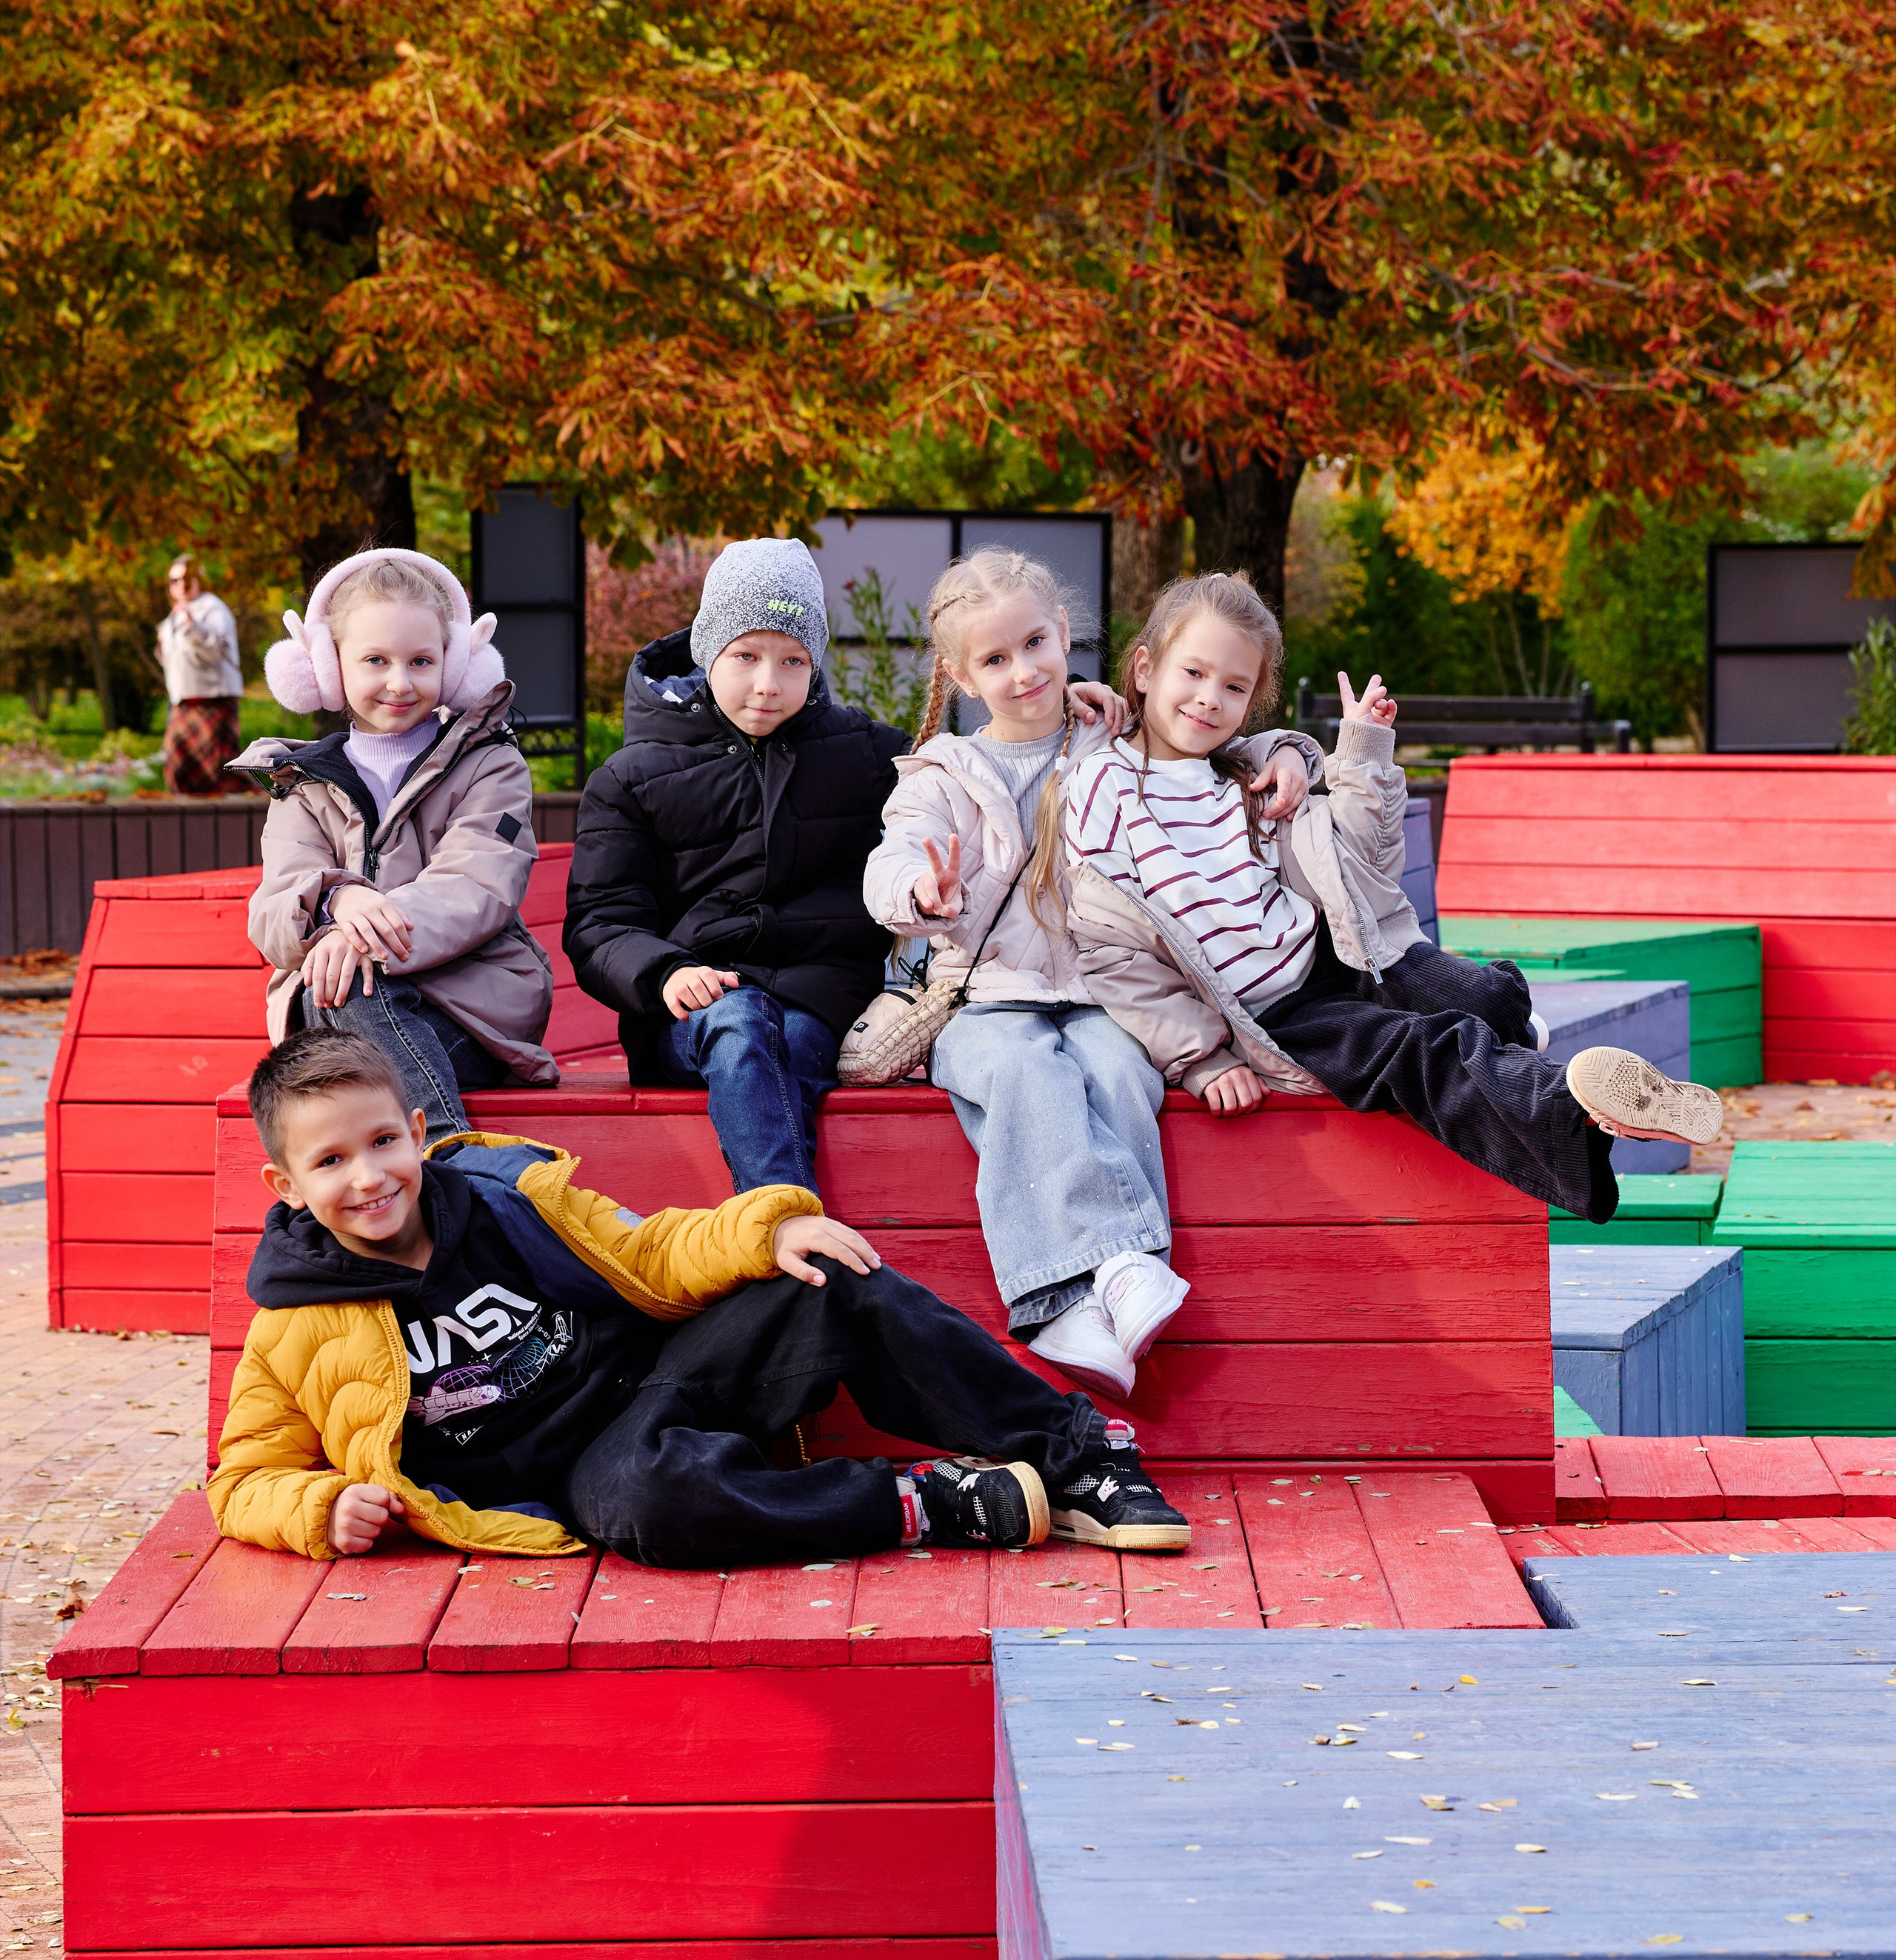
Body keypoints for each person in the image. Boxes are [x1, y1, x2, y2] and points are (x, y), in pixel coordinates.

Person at [207, 1028, 1191, 1563]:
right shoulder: (292, 1323)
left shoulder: (506, 1196)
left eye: (382, 1142)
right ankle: (929, 1508)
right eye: (331, 1161)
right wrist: (317, 1506)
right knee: (656, 1505)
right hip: (584, 1471)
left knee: (830, 1278)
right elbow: (242, 1476)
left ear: (416, 1130)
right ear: (286, 1187)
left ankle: (1079, 1461)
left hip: (657, 1375)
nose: (369, 1175)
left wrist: (769, 1228)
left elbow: (653, 1246)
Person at [1061, 570, 1723, 1223]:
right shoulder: (1103, 785)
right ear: (1144, 669)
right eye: (1194, 674)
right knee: (1428, 1050)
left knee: (1481, 997)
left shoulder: (1249, 771)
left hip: (1333, 952)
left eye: (1234, 686)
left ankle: (1529, 1052)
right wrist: (1200, 1057)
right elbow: (1114, 952)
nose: (1209, 699)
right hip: (1274, 1011)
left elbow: (1364, 858)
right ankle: (1580, 1109)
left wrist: (1363, 747)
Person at [864, 544, 1319, 1406]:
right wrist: (920, 890)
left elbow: (1211, 733)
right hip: (986, 1002)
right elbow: (892, 859)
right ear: (963, 678)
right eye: (994, 660)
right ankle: (1100, 1281)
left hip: (1102, 994)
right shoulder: (942, 773)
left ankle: (1089, 1300)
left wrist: (1292, 750)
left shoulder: (1107, 734)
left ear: (1064, 634)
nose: (1023, 671)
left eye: (1035, 644)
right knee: (1024, 1074)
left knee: (1117, 1071)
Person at [564, 536, 1126, 1201]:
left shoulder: (863, 756)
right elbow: (601, 921)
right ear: (708, 649)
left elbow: (976, 761)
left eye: (793, 660)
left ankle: (782, 1234)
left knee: (789, 1042)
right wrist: (664, 972)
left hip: (816, 1002)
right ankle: (787, 1227)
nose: (769, 683)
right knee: (741, 1026)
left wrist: (1066, 705)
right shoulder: (634, 777)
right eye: (746, 655)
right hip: (690, 1013)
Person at [231, 549, 554, 1141]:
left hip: (467, 1012)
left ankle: (450, 1160)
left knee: (348, 1016)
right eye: (375, 660)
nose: (400, 682)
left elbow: (477, 884)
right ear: (328, 669)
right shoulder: (299, 784)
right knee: (339, 1006)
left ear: (455, 667)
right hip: (335, 1008)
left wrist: (361, 938)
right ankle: (460, 1173)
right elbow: (275, 909)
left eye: (421, 661)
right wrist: (338, 904)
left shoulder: (491, 766)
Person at [156, 555, 243, 794]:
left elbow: (220, 651)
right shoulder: (174, 615)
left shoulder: (213, 609)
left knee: (218, 773)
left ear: (198, 580)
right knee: (178, 769)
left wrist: (195, 627)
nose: (180, 586)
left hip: (213, 702)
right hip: (183, 704)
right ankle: (185, 828)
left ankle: (250, 820)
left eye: (186, 579)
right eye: (174, 581)